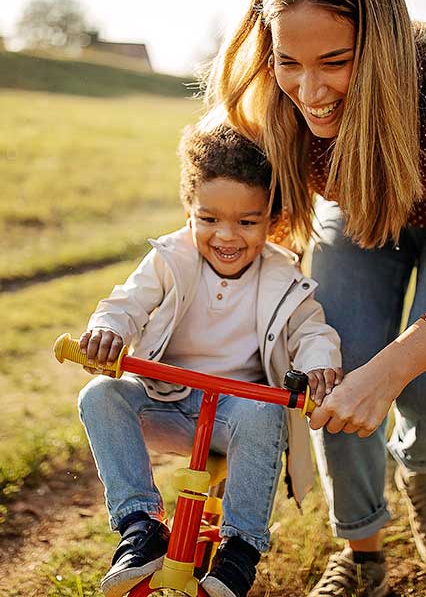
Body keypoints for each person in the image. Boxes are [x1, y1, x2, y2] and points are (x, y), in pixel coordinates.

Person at [204, 0, 426, 595]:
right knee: (333, 366)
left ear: (379, 44)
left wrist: (386, 378)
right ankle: (363, 553)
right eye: (289, 63)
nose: (310, 89)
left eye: (336, 61)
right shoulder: (267, 103)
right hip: (357, 210)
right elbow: (231, 227)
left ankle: (421, 462)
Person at [77, 124, 342, 597]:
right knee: (101, 394)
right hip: (167, 403)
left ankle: (240, 548)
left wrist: (319, 362)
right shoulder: (170, 258)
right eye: (210, 218)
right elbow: (127, 303)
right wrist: (109, 329)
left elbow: (312, 330)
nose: (227, 236)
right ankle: (140, 525)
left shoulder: (282, 274)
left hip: (234, 416)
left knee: (265, 411)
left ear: (271, 219)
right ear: (189, 212)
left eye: (247, 221)